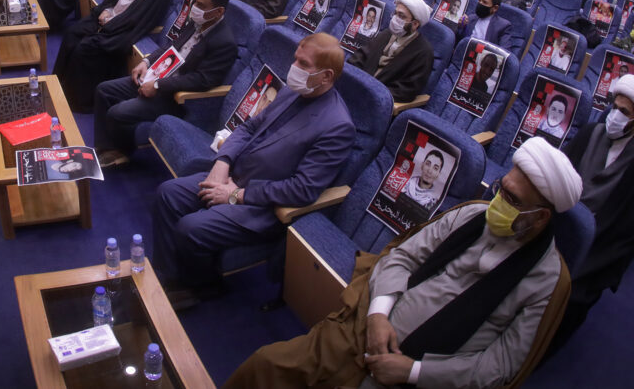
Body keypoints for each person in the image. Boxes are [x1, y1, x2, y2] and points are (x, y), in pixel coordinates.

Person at [225, 136, 583, 389]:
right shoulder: (472, 214)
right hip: (364, 331)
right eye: (501, 189)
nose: (499, 202)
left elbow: (500, 366)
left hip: (423, 379)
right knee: (266, 366)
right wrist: (378, 315)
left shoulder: (547, 281)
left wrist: (412, 372)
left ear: (540, 217)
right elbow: (403, 255)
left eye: (512, 199)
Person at [152, 33, 354, 301]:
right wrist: (222, 162)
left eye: (303, 64)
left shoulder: (337, 126)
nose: (294, 67)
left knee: (190, 228)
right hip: (234, 175)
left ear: (326, 76)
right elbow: (249, 128)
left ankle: (201, 286)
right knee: (167, 194)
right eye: (295, 59)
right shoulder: (293, 90)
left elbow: (302, 189)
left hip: (263, 206)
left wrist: (237, 194)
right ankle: (169, 277)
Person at [94, 0, 238, 166]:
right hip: (157, 76)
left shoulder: (225, 43)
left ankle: (122, 152)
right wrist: (146, 62)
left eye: (201, 5)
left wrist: (158, 86)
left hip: (174, 97)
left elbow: (203, 80)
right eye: (195, 1)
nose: (194, 7)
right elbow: (170, 47)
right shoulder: (196, 22)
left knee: (117, 113)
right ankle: (106, 147)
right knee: (104, 90)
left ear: (218, 12)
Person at [554, 74, 634, 354]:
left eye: (625, 112)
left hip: (597, 247)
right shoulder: (590, 133)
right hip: (558, 226)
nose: (615, 116)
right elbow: (558, 179)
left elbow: (625, 233)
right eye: (614, 107)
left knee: (570, 295)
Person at [54, 0, 173, 111]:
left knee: (84, 49)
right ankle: (57, 85)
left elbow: (139, 18)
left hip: (123, 30)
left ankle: (78, 102)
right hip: (110, 19)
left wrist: (110, 22)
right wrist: (107, 10)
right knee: (72, 33)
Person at [349, 0, 435, 102]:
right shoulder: (387, 34)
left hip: (378, 100)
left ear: (415, 24)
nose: (395, 18)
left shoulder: (424, 52)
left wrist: (372, 93)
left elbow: (405, 91)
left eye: (401, 16)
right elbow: (359, 57)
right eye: (395, 13)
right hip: (357, 86)